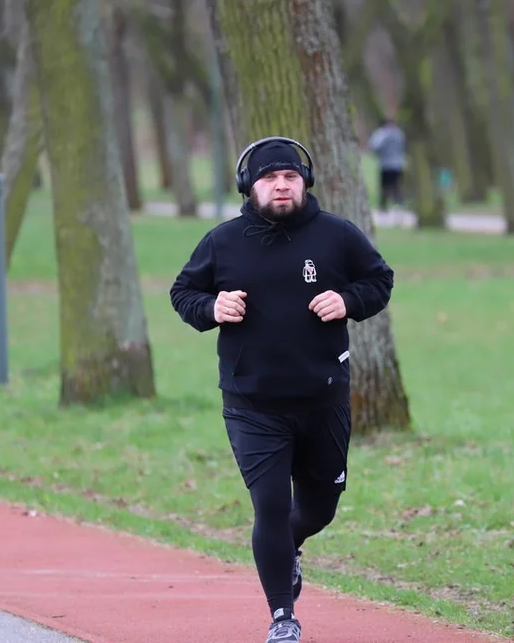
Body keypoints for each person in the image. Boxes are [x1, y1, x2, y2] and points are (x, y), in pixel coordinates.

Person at [169, 136, 394, 643]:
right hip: (253, 404)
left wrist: (348, 299)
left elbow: (379, 280)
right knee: (269, 506)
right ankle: (282, 617)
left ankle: (285, 546)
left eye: (290, 177)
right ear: (249, 187)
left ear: (305, 183)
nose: (281, 186)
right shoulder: (222, 242)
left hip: (323, 397)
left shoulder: (336, 235)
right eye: (270, 178)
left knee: (319, 508)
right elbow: (184, 293)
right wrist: (212, 308)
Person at [367, 117, 406, 211]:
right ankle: (396, 205)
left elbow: (374, 146)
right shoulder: (399, 133)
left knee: (387, 185)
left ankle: (386, 206)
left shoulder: (382, 134)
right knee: (394, 185)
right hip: (396, 164)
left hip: (386, 164)